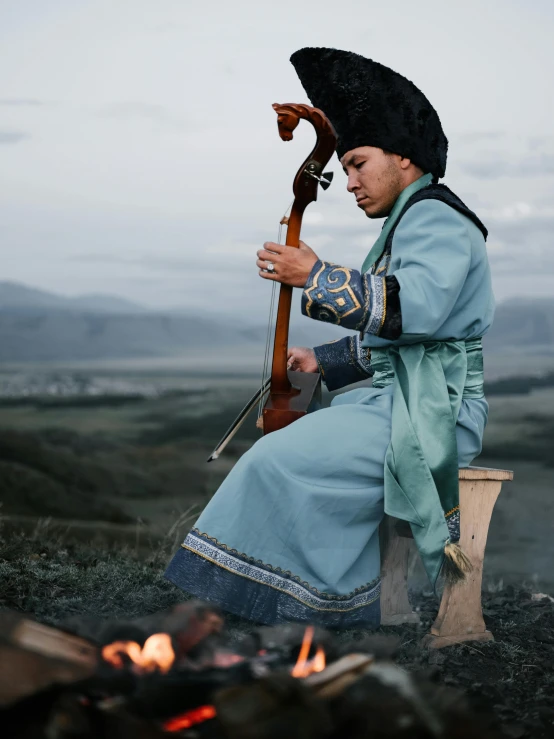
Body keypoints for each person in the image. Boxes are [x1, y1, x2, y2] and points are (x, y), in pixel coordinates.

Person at [165, 47, 494, 628]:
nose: (349, 182)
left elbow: (415, 309)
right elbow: (409, 339)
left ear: (405, 158)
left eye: (359, 163)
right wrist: (327, 358)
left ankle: (300, 612)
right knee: (286, 454)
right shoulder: (411, 218)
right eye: (344, 168)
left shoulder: (436, 216)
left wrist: (314, 275)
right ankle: (313, 607)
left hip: (434, 413)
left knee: (275, 459)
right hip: (403, 402)